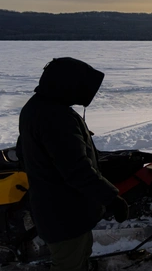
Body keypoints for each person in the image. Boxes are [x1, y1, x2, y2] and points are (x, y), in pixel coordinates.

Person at [16, 57, 128, 271]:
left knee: (77, 260)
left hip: (55, 210)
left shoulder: (35, 107)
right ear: (67, 85)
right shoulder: (56, 117)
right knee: (70, 264)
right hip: (65, 215)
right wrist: (112, 199)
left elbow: (24, 151)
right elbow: (77, 171)